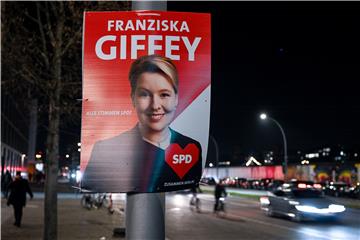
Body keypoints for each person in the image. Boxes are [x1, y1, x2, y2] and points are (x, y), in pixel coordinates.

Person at [82, 54, 202, 193]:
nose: (155, 105)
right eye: (144, 94)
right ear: (133, 98)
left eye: (164, 95)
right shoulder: (105, 150)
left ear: (176, 99)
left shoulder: (192, 147)